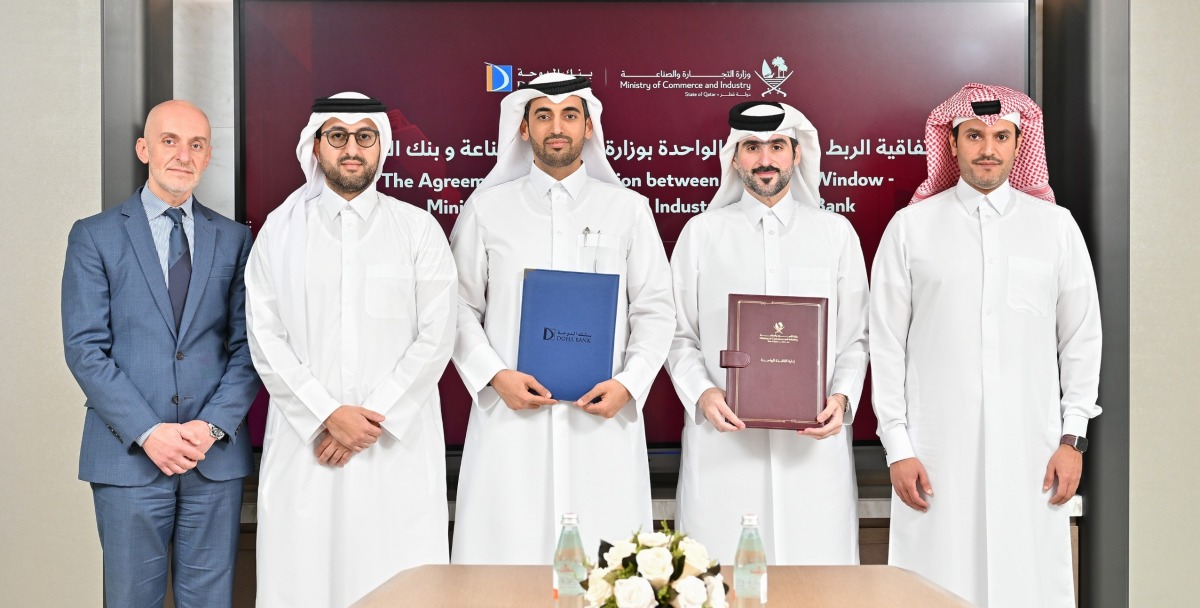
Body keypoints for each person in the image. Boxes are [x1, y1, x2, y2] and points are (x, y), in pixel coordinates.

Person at [870, 83, 1102, 607]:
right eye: (974, 136)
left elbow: (1082, 340)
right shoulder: (910, 228)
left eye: (1001, 137)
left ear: (1020, 144)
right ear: (952, 143)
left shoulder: (1055, 227)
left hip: (1033, 452)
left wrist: (1073, 440)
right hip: (935, 452)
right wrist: (898, 449)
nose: (988, 149)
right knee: (932, 585)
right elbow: (884, 346)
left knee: (1028, 583)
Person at [449, 73, 675, 564]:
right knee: (505, 567)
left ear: (588, 127)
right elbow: (458, 307)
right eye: (543, 116)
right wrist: (495, 376)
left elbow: (656, 309)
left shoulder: (628, 210)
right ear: (523, 128)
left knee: (606, 568)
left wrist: (629, 383)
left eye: (570, 115)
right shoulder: (487, 210)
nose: (557, 127)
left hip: (601, 423)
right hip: (511, 422)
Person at [246, 93, 457, 607]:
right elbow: (264, 335)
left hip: (394, 448)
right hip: (307, 446)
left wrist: (368, 419)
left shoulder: (417, 229)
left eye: (365, 136)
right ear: (316, 146)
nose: (351, 149)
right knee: (304, 581)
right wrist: (326, 415)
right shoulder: (280, 231)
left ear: (381, 146)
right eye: (337, 135)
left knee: (399, 582)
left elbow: (437, 336)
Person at [62, 100, 259, 607]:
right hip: (127, 456)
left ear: (208, 156)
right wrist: (150, 433)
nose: (183, 155)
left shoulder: (236, 239)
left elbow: (251, 348)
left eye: (196, 145)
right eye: (170, 141)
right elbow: (85, 349)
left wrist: (210, 427)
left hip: (212, 457)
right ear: (144, 149)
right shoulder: (94, 235)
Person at [665, 102, 868, 564]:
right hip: (723, 448)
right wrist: (703, 395)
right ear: (734, 158)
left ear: (797, 154)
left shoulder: (835, 234)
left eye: (777, 146)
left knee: (820, 584)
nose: (765, 159)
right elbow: (677, 335)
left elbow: (856, 337)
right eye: (752, 147)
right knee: (718, 580)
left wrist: (841, 400)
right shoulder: (702, 234)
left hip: (813, 454)